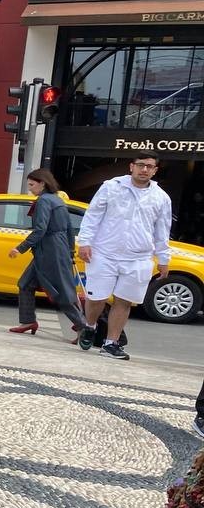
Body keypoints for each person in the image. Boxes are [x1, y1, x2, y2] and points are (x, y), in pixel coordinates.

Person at [75, 152, 173, 360]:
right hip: (104, 253)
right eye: (140, 165)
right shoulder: (111, 187)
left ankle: (111, 343)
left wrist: (163, 259)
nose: (144, 169)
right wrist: (85, 242)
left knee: (124, 301)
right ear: (131, 167)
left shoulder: (161, 198)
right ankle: (90, 326)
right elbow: (93, 216)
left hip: (138, 257)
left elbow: (162, 230)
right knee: (97, 298)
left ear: (155, 170)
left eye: (149, 166)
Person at [7, 168, 88, 340]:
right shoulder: (57, 200)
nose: (30, 189)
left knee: (59, 290)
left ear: (42, 183)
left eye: (31, 184)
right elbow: (68, 229)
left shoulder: (44, 201)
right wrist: (70, 251)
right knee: (25, 284)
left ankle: (83, 326)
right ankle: (28, 321)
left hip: (48, 250)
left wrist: (20, 248)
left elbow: (40, 229)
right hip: (57, 249)